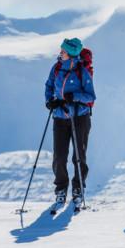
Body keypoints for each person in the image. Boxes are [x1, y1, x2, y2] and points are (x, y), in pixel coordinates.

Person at [45, 37, 96, 209]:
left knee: (79, 157)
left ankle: (78, 189)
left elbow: (91, 97)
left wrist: (74, 97)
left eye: (63, 51)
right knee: (59, 157)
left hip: (80, 118)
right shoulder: (57, 68)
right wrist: (50, 101)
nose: (60, 53)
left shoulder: (82, 71)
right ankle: (60, 190)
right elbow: (49, 86)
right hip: (60, 117)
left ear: (72, 54)